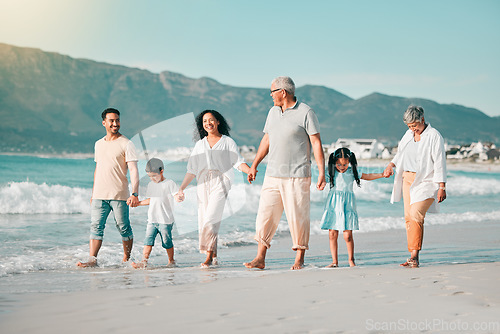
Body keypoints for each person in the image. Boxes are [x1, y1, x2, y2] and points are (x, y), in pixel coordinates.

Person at [244, 76, 326, 270]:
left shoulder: (306, 112)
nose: (271, 96)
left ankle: (299, 258)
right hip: (272, 174)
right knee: (265, 215)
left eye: (272, 92)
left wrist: (321, 171)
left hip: (297, 175)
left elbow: (316, 142)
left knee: (297, 216)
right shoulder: (272, 112)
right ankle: (260, 258)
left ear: (283, 92)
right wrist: (255, 164)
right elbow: (266, 139)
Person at [175, 110, 251, 267]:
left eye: (211, 120)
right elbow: (192, 170)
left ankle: (208, 257)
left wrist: (250, 170)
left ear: (218, 122)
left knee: (211, 218)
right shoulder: (199, 145)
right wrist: (182, 188)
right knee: (204, 219)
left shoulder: (227, 142)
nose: (207, 123)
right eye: (204, 121)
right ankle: (214, 254)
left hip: (221, 182)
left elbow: (237, 162)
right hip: (202, 183)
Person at [383, 105, 447, 268]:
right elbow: (400, 153)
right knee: (408, 218)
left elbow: (440, 161)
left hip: (426, 181)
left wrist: (442, 186)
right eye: (410, 126)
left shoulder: (434, 136)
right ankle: (412, 254)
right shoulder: (408, 134)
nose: (413, 129)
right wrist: (391, 164)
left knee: (416, 214)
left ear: (422, 120)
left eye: (415, 126)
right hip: (407, 178)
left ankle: (415, 256)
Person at [77, 108, 139, 267]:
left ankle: (126, 259)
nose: (115, 123)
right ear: (104, 122)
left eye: (117, 120)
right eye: (111, 120)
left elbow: (133, 170)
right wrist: (93, 192)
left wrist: (134, 193)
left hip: (119, 194)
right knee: (96, 226)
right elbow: (98, 169)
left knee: (123, 227)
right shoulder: (98, 144)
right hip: (99, 194)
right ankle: (92, 260)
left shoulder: (127, 143)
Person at [321, 147, 387, 268]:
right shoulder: (330, 171)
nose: (342, 167)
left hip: (347, 205)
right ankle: (334, 262)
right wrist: (321, 183)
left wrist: (382, 175)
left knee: (348, 235)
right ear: (334, 162)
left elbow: (368, 176)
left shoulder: (352, 171)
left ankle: (351, 260)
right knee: (332, 234)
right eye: (339, 164)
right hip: (333, 205)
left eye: (345, 164)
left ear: (349, 162)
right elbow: (322, 179)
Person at [131, 158, 178, 269]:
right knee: (148, 241)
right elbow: (151, 200)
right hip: (152, 220)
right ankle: (144, 261)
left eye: (154, 176)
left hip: (165, 220)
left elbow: (176, 195)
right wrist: (138, 203)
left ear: (161, 171)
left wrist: (179, 197)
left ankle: (171, 260)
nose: (152, 179)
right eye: (149, 176)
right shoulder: (151, 185)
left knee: (167, 242)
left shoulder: (169, 183)